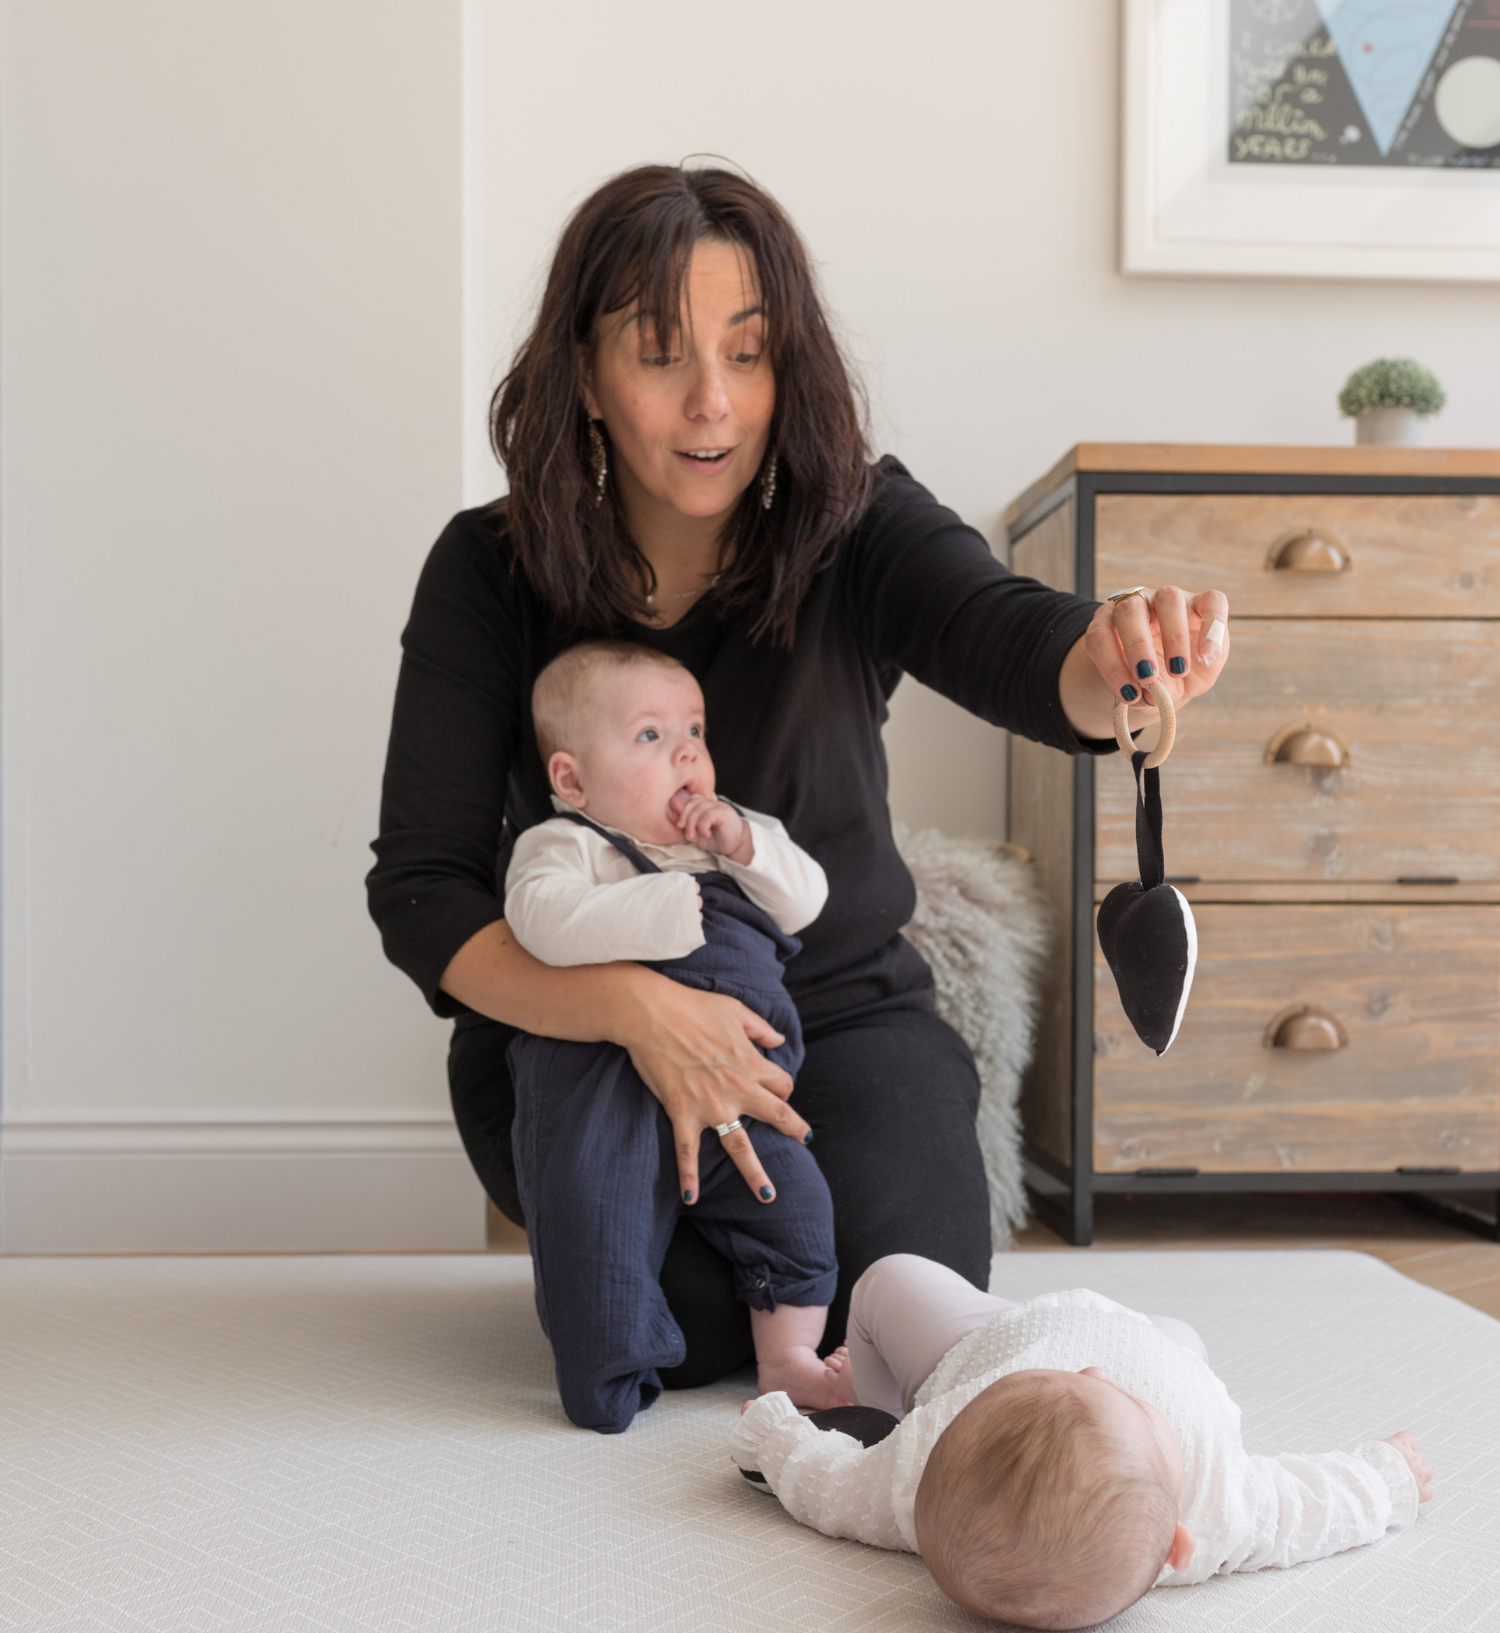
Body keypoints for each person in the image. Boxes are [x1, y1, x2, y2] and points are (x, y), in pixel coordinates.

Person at [366, 162, 1231, 1388]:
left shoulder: (857, 524)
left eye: (750, 351)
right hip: (578, 1038)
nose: (713, 402)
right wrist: (639, 1012)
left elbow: (1015, 637)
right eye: (661, 353)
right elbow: (424, 890)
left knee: (899, 1289)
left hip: (837, 1017)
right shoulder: (484, 571)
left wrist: (1117, 659)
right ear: (585, 373)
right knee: (687, 1323)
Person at [504, 639, 848, 1431]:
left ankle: (787, 1361)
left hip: (740, 1087)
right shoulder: (567, 845)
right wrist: (663, 907)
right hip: (608, 1085)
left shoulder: (731, 839)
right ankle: (604, 1371)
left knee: (796, 1207)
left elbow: (806, 901)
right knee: (595, 1219)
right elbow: (541, 924)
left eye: (693, 729)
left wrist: (743, 844)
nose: (687, 749)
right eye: (650, 735)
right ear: (572, 779)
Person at [731, 1254, 1437, 1631]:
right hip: (1157, 1342)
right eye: (1123, 1400)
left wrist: (774, 1432)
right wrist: (1387, 1480)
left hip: (986, 1341)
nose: (1093, 1373)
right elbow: (1304, 1507)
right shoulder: (1218, 1502)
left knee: (888, 1280)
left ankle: (879, 1403)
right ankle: (1170, 1353)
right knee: (1186, 1339)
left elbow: (825, 1484)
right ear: (1179, 1546)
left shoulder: (915, 1476)